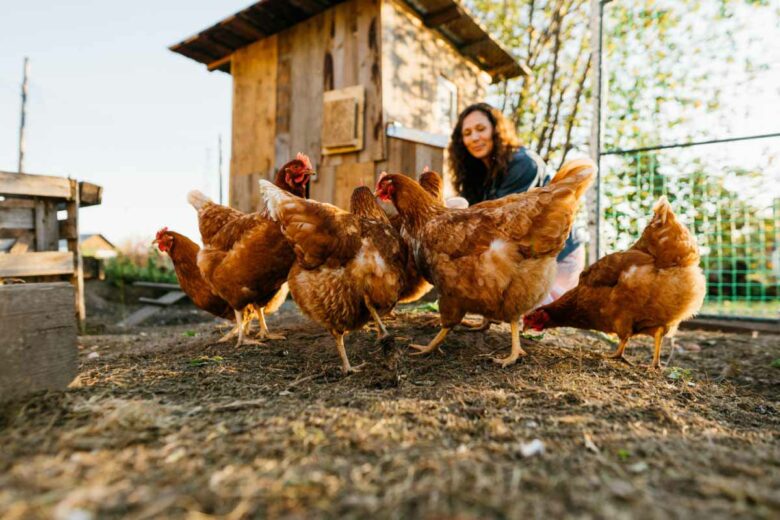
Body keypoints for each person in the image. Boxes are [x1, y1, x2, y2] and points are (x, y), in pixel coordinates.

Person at [447, 102, 586, 304]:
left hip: (556, 257)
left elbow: (504, 226)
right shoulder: (476, 173)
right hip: (525, 255)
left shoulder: (523, 163)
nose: (475, 137)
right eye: (467, 133)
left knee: (532, 315)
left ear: (496, 130)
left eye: (480, 129)